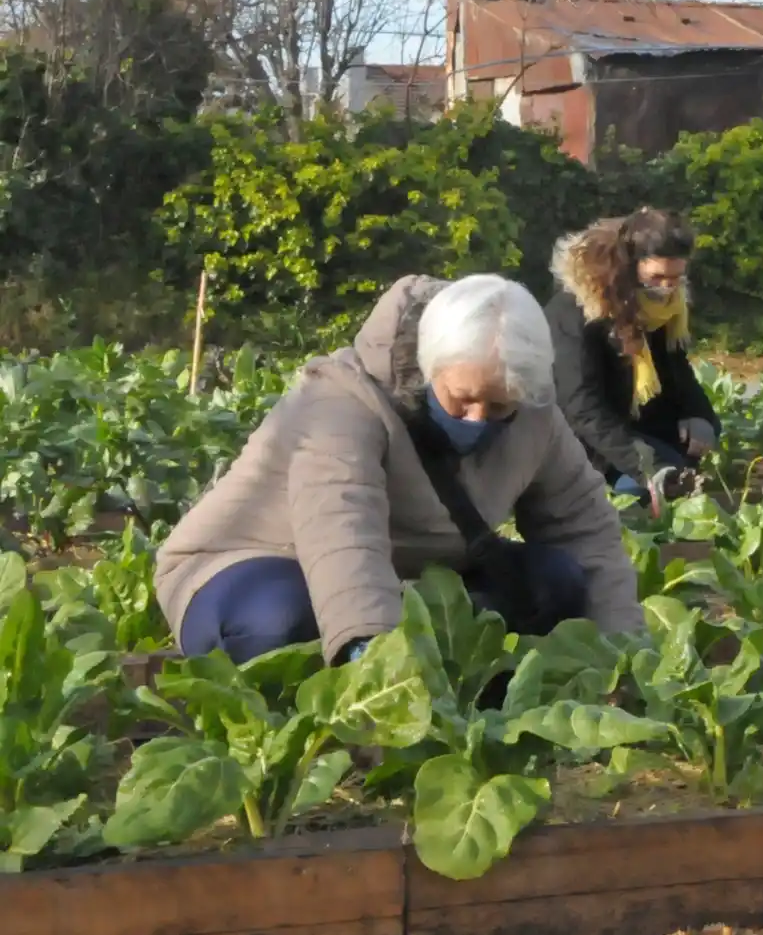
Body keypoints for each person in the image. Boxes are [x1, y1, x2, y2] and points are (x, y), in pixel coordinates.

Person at [154, 274, 645, 667]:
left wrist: (622, 653)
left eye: (499, 407)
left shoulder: (533, 412)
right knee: (283, 621)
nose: (478, 418)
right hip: (253, 564)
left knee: (556, 580)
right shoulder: (340, 401)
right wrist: (374, 659)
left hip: (406, 576)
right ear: (430, 368)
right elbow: (343, 529)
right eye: (463, 399)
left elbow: (583, 525)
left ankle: (460, 686)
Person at [546, 208, 721, 499]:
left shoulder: (663, 307)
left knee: (691, 462)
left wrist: (698, 414)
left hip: (636, 425)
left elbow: (675, 368)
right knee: (647, 496)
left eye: (676, 277)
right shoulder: (576, 311)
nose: (667, 287)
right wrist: (649, 467)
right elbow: (582, 409)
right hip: (582, 442)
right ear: (629, 265)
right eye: (657, 276)